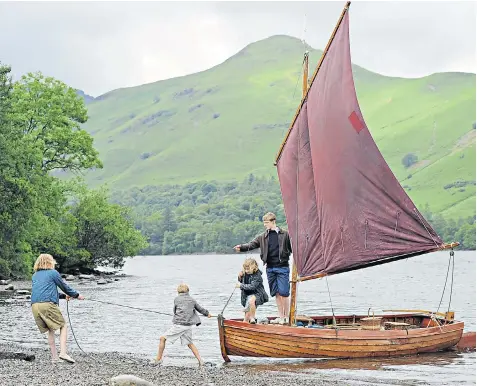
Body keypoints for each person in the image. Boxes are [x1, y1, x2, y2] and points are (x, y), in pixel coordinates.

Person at [234, 212, 292, 325]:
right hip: (270, 268)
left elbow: (293, 247)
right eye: (264, 223)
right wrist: (241, 248)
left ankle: (286, 317)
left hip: (282, 267)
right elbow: (251, 244)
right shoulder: (263, 237)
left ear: (273, 222)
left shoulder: (285, 234)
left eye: (266, 223)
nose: (265, 225)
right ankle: (280, 316)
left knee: (284, 293)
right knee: (276, 293)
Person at [31, 253, 84, 364]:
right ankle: (63, 353)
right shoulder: (53, 273)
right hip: (47, 304)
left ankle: (54, 358)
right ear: (50, 262)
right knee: (63, 325)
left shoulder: (35, 275)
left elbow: (44, 291)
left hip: (35, 305)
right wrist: (77, 295)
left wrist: (64, 296)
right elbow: (64, 286)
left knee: (51, 329)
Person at [154, 283, 212, 366]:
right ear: (188, 291)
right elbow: (200, 309)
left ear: (178, 291)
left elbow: (174, 311)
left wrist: (177, 316)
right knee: (190, 343)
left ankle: (158, 359)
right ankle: (200, 361)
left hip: (179, 325)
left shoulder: (176, 299)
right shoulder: (192, 300)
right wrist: (207, 314)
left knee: (162, 338)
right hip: (188, 326)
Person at [236, 258, 269, 324]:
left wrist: (241, 286)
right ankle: (246, 323)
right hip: (246, 295)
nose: (246, 271)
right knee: (246, 315)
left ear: (254, 267)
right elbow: (241, 281)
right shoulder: (245, 273)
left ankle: (252, 318)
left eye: (248, 269)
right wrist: (239, 277)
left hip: (258, 294)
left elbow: (252, 286)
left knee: (251, 301)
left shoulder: (257, 276)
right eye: (245, 269)